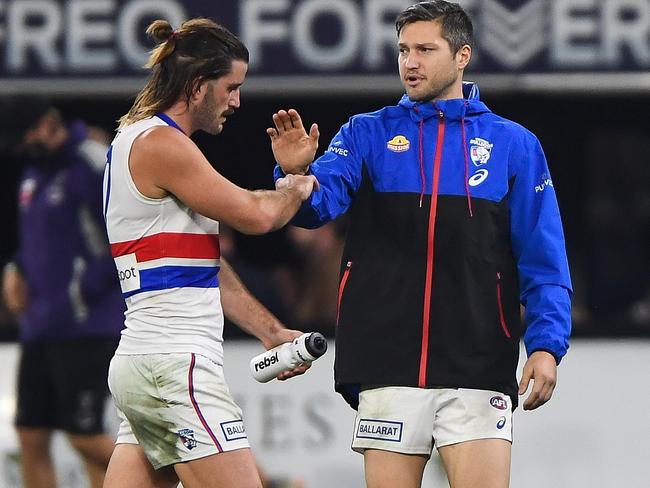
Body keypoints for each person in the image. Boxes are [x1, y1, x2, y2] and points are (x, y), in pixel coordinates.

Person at [268, 1, 572, 487]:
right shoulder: (366, 132)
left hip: (479, 361)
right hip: (386, 361)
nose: (410, 61)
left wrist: (546, 346)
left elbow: (544, 260)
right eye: (404, 50)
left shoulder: (514, 144)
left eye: (425, 49)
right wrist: (297, 173)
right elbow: (315, 208)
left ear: (461, 55)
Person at [101, 18, 319, 488]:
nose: (237, 101)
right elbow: (256, 216)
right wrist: (294, 184)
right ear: (198, 85)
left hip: (144, 365)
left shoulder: (131, 140)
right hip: (176, 366)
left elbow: (204, 267)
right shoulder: (162, 144)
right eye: (231, 87)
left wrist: (271, 330)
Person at [0, 97, 124, 488]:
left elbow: (121, 235)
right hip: (41, 326)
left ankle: (211, 479)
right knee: (31, 435)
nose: (20, 148)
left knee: (86, 437)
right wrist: (16, 267)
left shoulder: (91, 162)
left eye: (24, 137)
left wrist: (80, 293)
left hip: (87, 326)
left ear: (46, 123)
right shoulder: (35, 173)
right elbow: (39, 240)